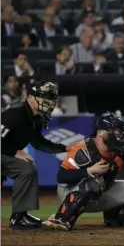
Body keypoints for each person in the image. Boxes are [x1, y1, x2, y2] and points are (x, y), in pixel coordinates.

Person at [1, 81, 68, 230]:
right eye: (45, 99)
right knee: (25, 169)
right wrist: (14, 151)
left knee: (27, 169)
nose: (49, 103)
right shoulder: (15, 113)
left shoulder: (36, 118)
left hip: (4, 153)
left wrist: (66, 148)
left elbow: (39, 143)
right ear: (30, 97)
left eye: (51, 100)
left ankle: (19, 216)